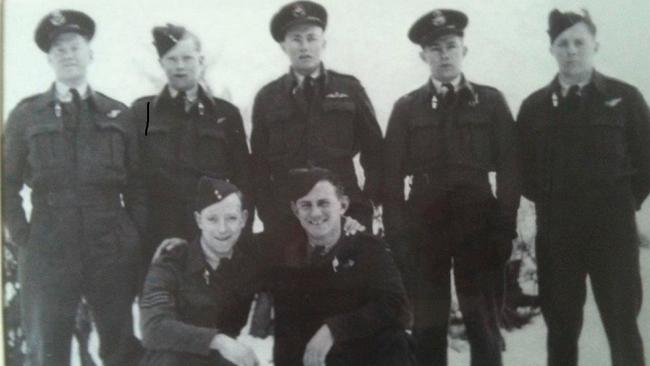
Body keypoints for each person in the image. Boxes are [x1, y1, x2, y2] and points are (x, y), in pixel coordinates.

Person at [2, 9, 145, 365]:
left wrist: (132, 236)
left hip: (109, 246)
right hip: (49, 246)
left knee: (120, 346)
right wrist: (24, 236)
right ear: (49, 59)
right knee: (47, 349)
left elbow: (139, 184)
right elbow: (6, 184)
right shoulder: (26, 115)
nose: (68, 54)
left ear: (89, 54)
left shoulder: (118, 114)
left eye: (75, 46)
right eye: (59, 49)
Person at [383, 9, 520, 366]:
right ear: (422, 56)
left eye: (450, 45)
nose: (444, 54)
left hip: (479, 226)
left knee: (484, 326)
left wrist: (505, 228)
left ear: (464, 50)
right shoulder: (406, 108)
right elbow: (391, 177)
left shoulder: (490, 102)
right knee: (427, 329)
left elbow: (509, 169)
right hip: (424, 229)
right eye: (435, 48)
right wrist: (398, 236)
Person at [517, 9, 650, 366]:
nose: (571, 50)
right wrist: (554, 203)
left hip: (613, 233)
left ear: (595, 46)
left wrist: (623, 203)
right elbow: (524, 172)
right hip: (558, 236)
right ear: (551, 49)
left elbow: (647, 162)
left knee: (622, 326)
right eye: (562, 43)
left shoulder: (626, 99)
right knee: (561, 329)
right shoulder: (535, 108)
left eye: (579, 42)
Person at [250, 0, 382, 238]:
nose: (304, 47)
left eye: (311, 38)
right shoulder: (268, 97)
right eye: (296, 39)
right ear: (283, 46)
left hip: (346, 212)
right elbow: (258, 166)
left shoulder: (349, 88)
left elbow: (375, 152)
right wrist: (270, 214)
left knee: (349, 274)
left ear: (323, 42)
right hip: (287, 216)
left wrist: (366, 204)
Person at [130, 23, 252, 267]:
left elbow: (244, 180)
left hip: (214, 233)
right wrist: (139, 234)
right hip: (158, 231)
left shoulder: (225, 114)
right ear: (161, 63)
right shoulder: (144, 112)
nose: (180, 66)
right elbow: (135, 178)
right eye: (171, 59)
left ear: (201, 60)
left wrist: (240, 235)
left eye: (187, 57)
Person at [266, 167, 414, 366]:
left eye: (323, 203)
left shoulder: (368, 247)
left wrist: (334, 329)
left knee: (396, 340)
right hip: (315, 358)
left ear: (342, 205)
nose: (315, 213)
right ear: (295, 210)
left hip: (362, 352)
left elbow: (398, 307)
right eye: (306, 205)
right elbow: (286, 333)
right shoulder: (286, 253)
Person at [139, 177, 260, 366]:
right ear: (199, 220)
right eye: (212, 219)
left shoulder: (247, 264)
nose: (222, 229)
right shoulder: (171, 263)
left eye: (231, 218)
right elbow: (153, 328)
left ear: (243, 219)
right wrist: (219, 341)